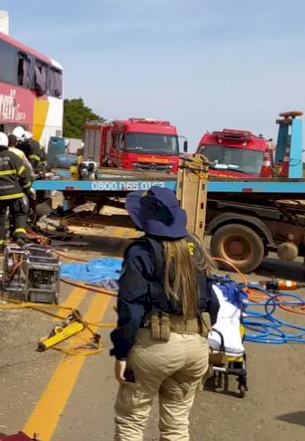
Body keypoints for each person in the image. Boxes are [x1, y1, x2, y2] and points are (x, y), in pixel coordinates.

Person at [111, 186, 219, 441]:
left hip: (155, 347)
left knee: (131, 421)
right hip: (195, 349)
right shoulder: (194, 246)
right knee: (176, 426)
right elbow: (213, 303)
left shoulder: (142, 251)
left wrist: (121, 353)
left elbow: (131, 308)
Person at [0, 132, 34, 248]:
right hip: (15, 194)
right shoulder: (13, 157)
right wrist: (27, 189)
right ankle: (19, 237)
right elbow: (24, 175)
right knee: (19, 214)